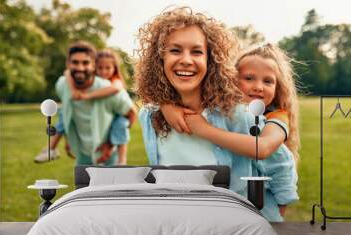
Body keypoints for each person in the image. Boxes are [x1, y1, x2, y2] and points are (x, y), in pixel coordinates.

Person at [136, 7, 297, 222]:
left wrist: (277, 214)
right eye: (175, 50)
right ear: (159, 59)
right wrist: (165, 105)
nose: (186, 59)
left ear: (211, 60)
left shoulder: (237, 115)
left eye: (196, 51)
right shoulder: (149, 116)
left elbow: (280, 163)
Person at [160, 43, 300, 219]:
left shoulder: (277, 117)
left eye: (268, 81)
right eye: (248, 78)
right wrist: (166, 106)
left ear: (278, 87)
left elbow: (263, 148)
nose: (258, 86)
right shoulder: (224, 110)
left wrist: (205, 130)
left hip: (262, 208)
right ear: (230, 80)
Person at [55, 41, 136, 166]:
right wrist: (69, 140)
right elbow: (68, 115)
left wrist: (110, 144)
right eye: (75, 62)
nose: (80, 68)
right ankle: (50, 148)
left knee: (120, 123)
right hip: (83, 156)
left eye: (85, 63)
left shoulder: (113, 87)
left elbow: (131, 113)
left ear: (92, 65)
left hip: (108, 156)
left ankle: (122, 160)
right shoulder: (62, 85)